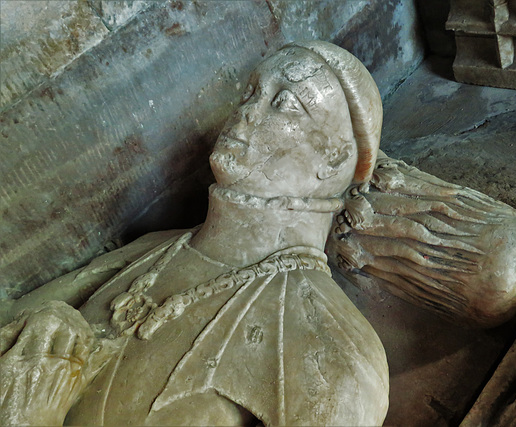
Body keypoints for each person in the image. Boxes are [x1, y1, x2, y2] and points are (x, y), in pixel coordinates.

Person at [1, 41, 390, 426]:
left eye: (285, 102)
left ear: (335, 158)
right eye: (252, 91)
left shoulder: (332, 347)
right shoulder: (156, 249)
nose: (248, 110)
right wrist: (38, 327)